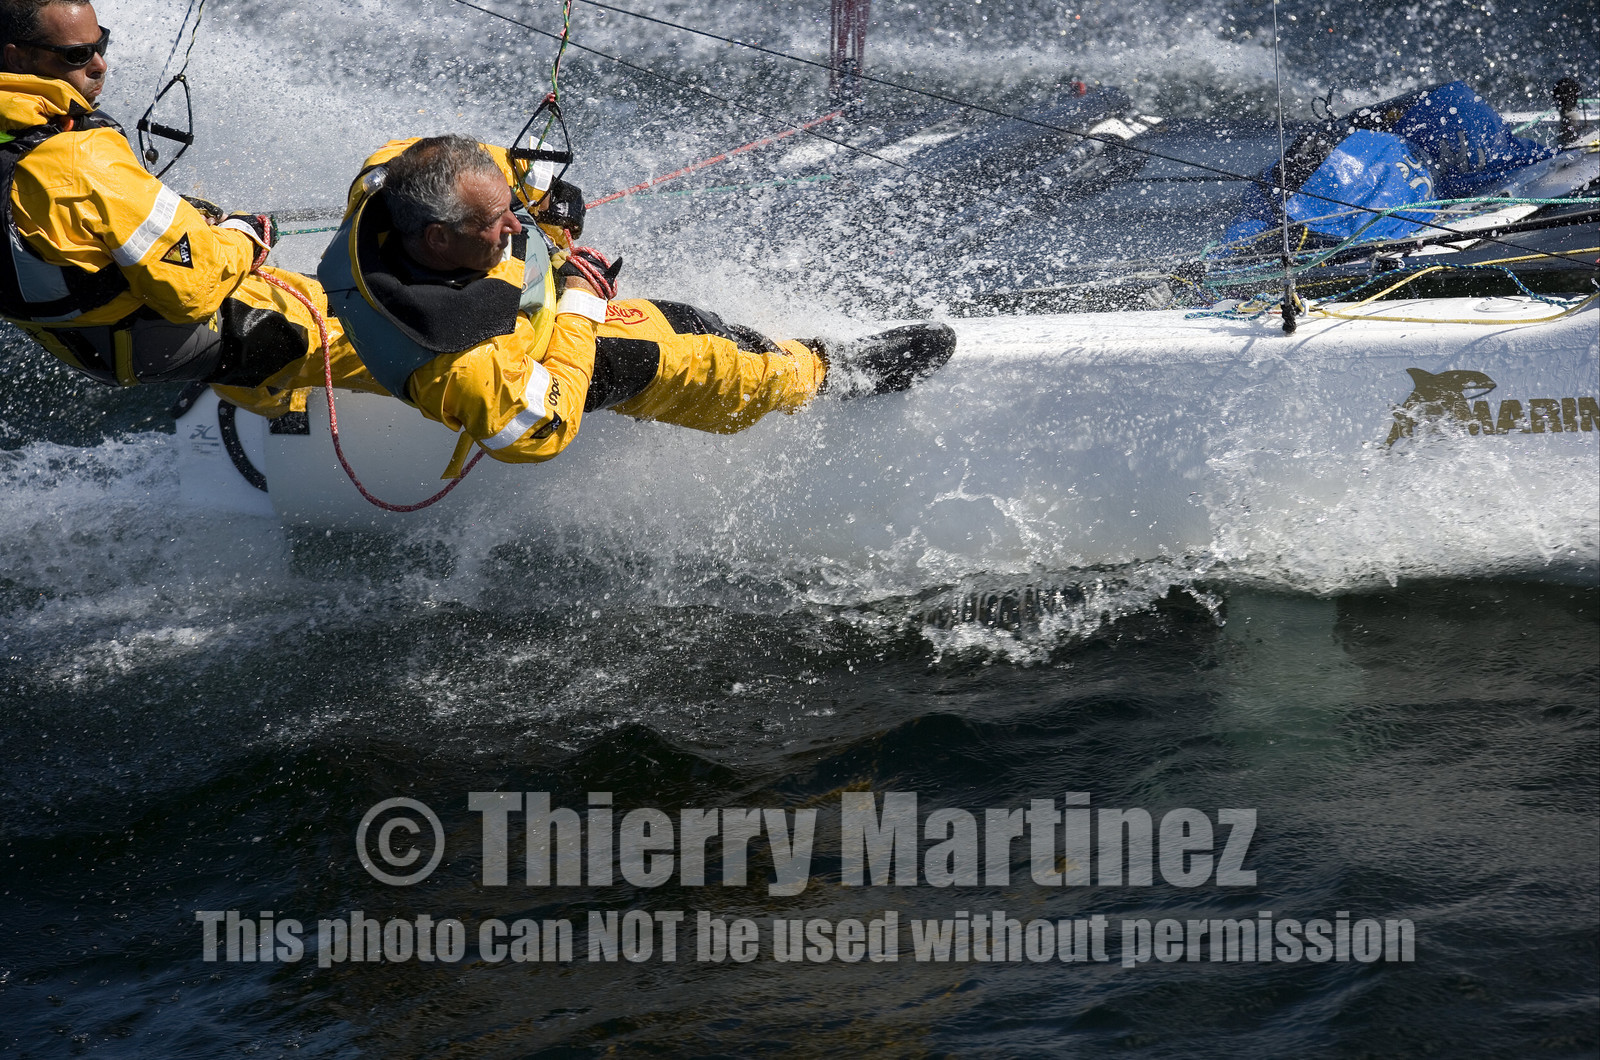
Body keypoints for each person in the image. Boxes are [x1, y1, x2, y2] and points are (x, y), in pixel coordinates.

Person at [320, 134, 955, 467]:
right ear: (437, 237)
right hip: (538, 376)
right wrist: (580, 305)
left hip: (536, 322)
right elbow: (540, 433)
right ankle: (824, 373)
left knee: (685, 321)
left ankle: (751, 342)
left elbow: (467, 160)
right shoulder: (456, 359)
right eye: (497, 222)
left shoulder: (392, 181)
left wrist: (531, 184)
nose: (515, 225)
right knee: (687, 366)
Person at [0, 0, 379, 415]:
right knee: (364, 333)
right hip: (149, 335)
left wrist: (170, 217)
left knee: (311, 292)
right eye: (76, 54)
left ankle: (274, 401)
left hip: (83, 342)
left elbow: (64, 224)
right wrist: (245, 236)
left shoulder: (32, 137)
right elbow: (197, 290)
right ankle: (441, 382)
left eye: (100, 43)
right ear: (15, 55)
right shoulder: (78, 160)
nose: (100, 65)